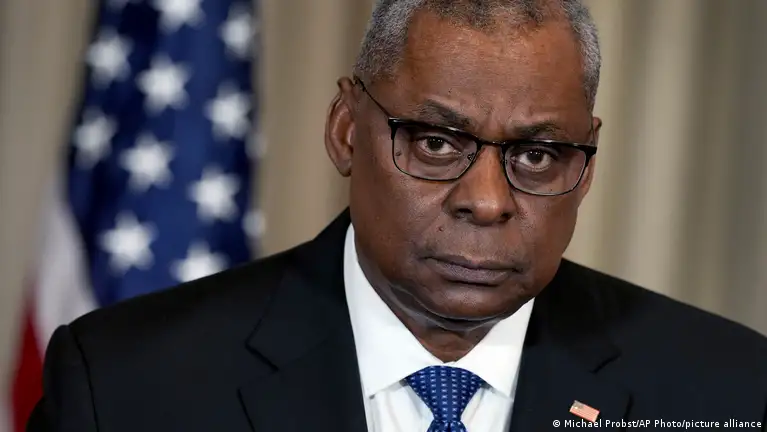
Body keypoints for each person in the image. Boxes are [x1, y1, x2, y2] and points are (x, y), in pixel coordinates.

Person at [28, 0, 767, 431]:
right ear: (347, 131)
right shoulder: (126, 385)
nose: (487, 200)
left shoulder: (730, 391)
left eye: (538, 154)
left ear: (588, 164)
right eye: (436, 143)